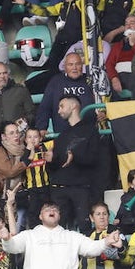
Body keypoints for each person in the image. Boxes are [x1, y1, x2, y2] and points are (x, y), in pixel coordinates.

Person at [47, 96, 102, 231]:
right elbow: (55, 166)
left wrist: (75, 157)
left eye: (62, 106)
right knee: (59, 229)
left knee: (85, 227)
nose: (59, 111)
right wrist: (50, 160)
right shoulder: (61, 137)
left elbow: (95, 159)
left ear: (73, 106)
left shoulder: (90, 131)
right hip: (60, 188)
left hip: (82, 188)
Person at [33, 51, 95, 132]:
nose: (74, 68)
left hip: (89, 131)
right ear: (64, 67)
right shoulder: (56, 81)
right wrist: (42, 128)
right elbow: (45, 107)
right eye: (70, 64)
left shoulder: (90, 80)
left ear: (82, 66)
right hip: (63, 133)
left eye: (78, 64)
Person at [106, 13, 135, 99]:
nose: (128, 26)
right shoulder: (117, 46)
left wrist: (133, 43)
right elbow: (109, 64)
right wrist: (114, 78)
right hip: (119, 75)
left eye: (132, 23)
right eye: (126, 24)